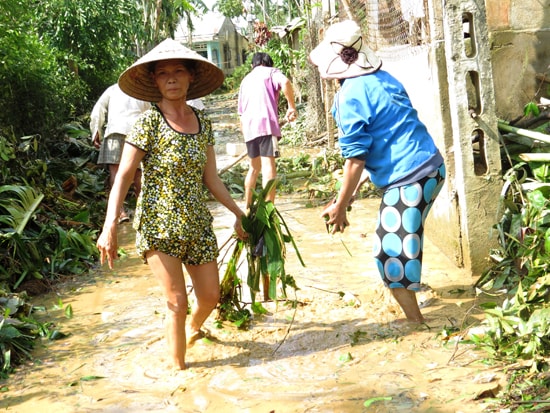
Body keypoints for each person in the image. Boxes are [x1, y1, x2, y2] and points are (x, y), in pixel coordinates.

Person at [96, 38, 248, 370]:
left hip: (196, 223)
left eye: (179, 71)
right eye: (163, 73)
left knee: (209, 297)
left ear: (192, 76)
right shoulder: (148, 123)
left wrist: (238, 213)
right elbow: (123, 175)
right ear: (154, 81)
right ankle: (178, 376)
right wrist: (109, 226)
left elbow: (212, 178)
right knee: (176, 301)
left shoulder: (202, 122)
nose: (172, 78)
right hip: (158, 225)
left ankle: (192, 330)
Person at [309, 20, 446, 323]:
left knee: (389, 256)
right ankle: (413, 308)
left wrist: (341, 205)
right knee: (402, 241)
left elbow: (356, 158)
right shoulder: (383, 78)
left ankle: (416, 327)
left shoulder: (348, 96)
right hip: (431, 169)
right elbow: (384, 139)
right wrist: (346, 199)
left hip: (409, 177)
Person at [238, 52, 298, 208]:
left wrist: (246, 134)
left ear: (253, 65)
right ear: (268, 63)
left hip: (249, 127)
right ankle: (268, 207)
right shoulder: (272, 72)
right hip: (265, 124)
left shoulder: (245, 80)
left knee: (254, 167)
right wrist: (291, 107)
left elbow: (240, 113)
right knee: (268, 165)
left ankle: (247, 207)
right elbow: (285, 82)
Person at [90, 83, 151, 223]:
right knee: (139, 174)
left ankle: (120, 212)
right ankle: (144, 211)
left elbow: (98, 109)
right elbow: (148, 114)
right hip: (138, 133)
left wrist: (96, 131)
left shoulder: (112, 89)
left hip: (115, 131)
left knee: (116, 174)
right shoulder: (141, 89)